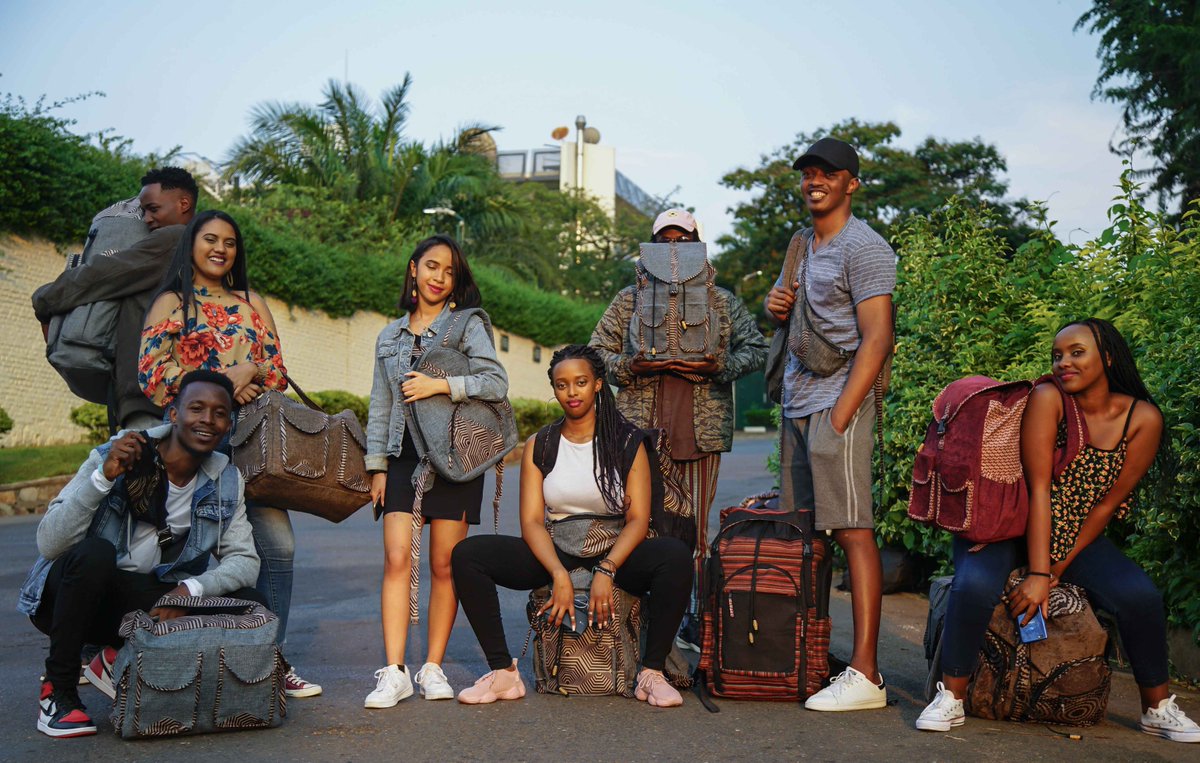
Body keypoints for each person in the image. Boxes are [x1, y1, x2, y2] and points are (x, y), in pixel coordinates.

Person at [917, 319, 1199, 744]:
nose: (1063, 362)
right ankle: (951, 697)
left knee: (1140, 596)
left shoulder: (1142, 418)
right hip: (1005, 524)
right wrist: (1037, 572)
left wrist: (1052, 571)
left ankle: (1156, 709)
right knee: (974, 586)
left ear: (1108, 357)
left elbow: (1105, 505)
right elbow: (1039, 489)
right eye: (1057, 355)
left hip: (1073, 534)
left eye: (1076, 352)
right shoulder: (1049, 398)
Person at [17, 370, 264, 738]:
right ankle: (59, 692)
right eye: (196, 408)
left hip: (142, 600)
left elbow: (245, 562)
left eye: (219, 413)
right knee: (96, 554)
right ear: (174, 414)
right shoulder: (117, 452)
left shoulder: (225, 480)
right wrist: (103, 478)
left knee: (248, 602)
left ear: (228, 425)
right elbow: (49, 543)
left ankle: (117, 658)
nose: (207, 420)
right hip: (68, 595)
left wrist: (188, 592)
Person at [138, 210, 320, 698]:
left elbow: (277, 372)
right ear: (191, 244)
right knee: (187, 552)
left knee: (278, 546)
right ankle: (162, 654)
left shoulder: (251, 302)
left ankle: (270, 657)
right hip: (195, 444)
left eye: (230, 242)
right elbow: (152, 377)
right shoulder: (172, 303)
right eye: (211, 239)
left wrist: (251, 371)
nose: (221, 249)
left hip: (255, 442)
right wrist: (224, 383)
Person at [450, 344, 693, 707]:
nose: (571, 392)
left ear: (597, 384)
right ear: (554, 388)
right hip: (558, 546)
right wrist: (557, 574)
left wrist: (607, 570)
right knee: (468, 555)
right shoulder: (541, 445)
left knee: (674, 555)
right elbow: (532, 522)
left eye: (580, 382)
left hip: (615, 548)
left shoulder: (627, 441)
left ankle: (651, 673)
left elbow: (638, 520)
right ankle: (503, 673)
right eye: (562, 385)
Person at [590, 208, 767, 649]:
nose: (673, 249)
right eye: (664, 241)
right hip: (639, 435)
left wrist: (719, 366)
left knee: (693, 533)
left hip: (699, 434)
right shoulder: (629, 299)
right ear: (651, 247)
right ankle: (634, 621)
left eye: (682, 241)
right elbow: (595, 354)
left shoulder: (720, 300)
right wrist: (630, 366)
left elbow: (756, 349)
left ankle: (691, 621)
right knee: (637, 527)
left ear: (697, 245)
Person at [765, 138, 895, 711]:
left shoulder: (864, 248)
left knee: (852, 529)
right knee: (803, 537)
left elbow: (878, 338)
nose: (815, 181)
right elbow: (790, 311)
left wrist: (840, 418)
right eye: (808, 173)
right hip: (796, 402)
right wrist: (775, 304)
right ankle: (812, 656)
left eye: (828, 173)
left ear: (851, 184)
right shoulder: (801, 243)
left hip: (838, 403)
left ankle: (866, 674)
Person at [362, 234, 508, 708]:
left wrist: (440, 385)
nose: (439, 277)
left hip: (456, 457)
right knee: (396, 559)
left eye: (449, 271)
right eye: (431, 266)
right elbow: (381, 404)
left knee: (445, 565)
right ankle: (395, 671)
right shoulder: (389, 337)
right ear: (413, 268)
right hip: (402, 457)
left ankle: (433, 667)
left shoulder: (466, 326)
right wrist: (377, 467)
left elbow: (495, 382)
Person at [33, 167, 199, 431]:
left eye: (153, 209)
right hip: (179, 392)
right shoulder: (205, 246)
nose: (146, 219)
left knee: (140, 456)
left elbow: (102, 275)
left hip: (152, 398)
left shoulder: (175, 238)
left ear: (184, 203)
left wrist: (43, 300)